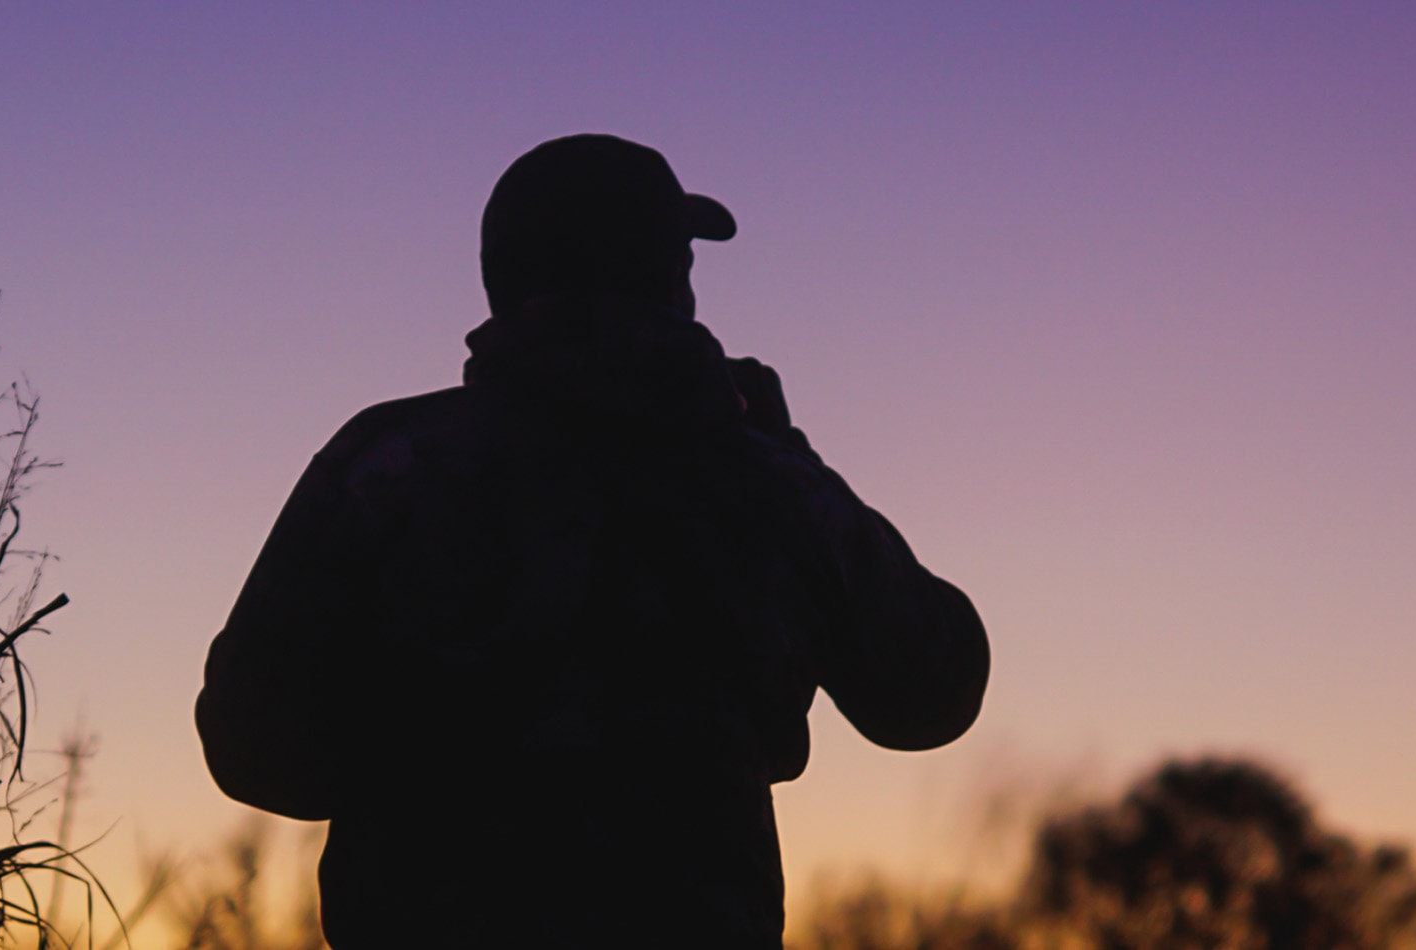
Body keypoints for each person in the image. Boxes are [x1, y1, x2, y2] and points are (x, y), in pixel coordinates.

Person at [196, 134, 989, 948]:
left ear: (503, 281)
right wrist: (795, 464)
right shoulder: (763, 480)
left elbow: (253, 743)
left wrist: (431, 760)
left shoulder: (388, 462)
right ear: (660, 279)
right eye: (679, 260)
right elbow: (931, 690)